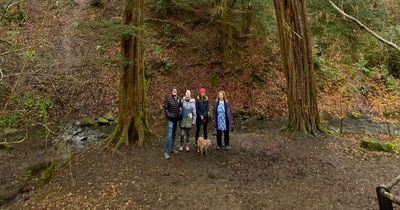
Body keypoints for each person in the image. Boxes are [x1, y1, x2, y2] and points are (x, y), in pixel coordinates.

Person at [163, 88, 182, 159]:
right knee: (169, 135)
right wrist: (169, 115)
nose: (174, 91)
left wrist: (180, 113)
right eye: (173, 90)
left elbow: (181, 107)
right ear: (172, 92)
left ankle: (172, 148)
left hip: (176, 120)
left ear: (176, 92)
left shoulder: (179, 99)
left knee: (174, 134)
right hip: (170, 120)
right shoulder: (169, 99)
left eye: (175, 91)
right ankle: (165, 151)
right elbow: (165, 108)